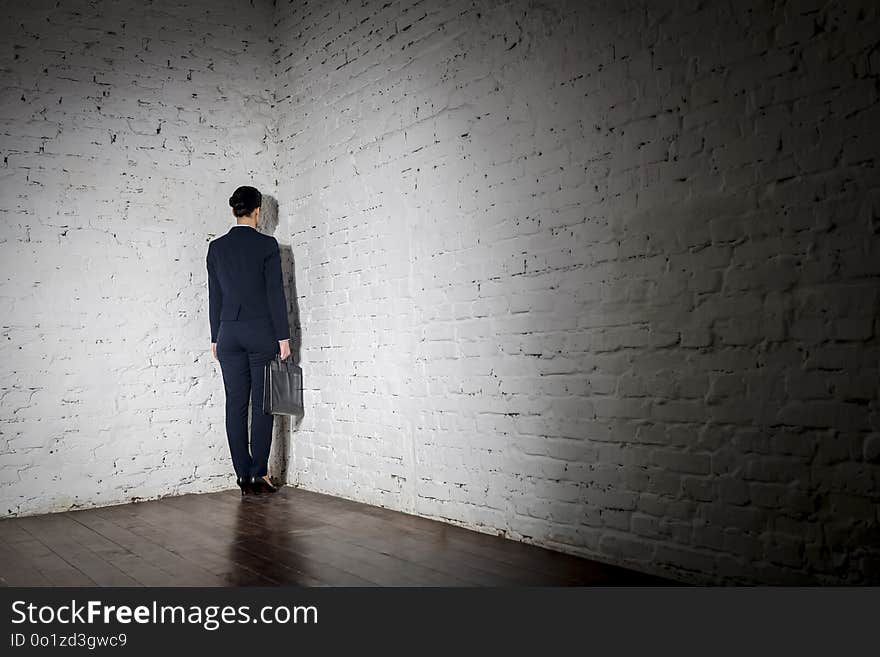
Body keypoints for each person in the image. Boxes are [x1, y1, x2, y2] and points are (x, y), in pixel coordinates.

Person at [206, 185, 291, 497]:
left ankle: (242, 475)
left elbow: (214, 296)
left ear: (234, 211)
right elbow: (274, 295)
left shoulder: (216, 248)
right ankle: (258, 475)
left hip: (228, 334)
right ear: (259, 211)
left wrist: (216, 337)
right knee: (264, 406)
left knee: (235, 405)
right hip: (261, 334)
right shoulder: (267, 246)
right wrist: (283, 336)